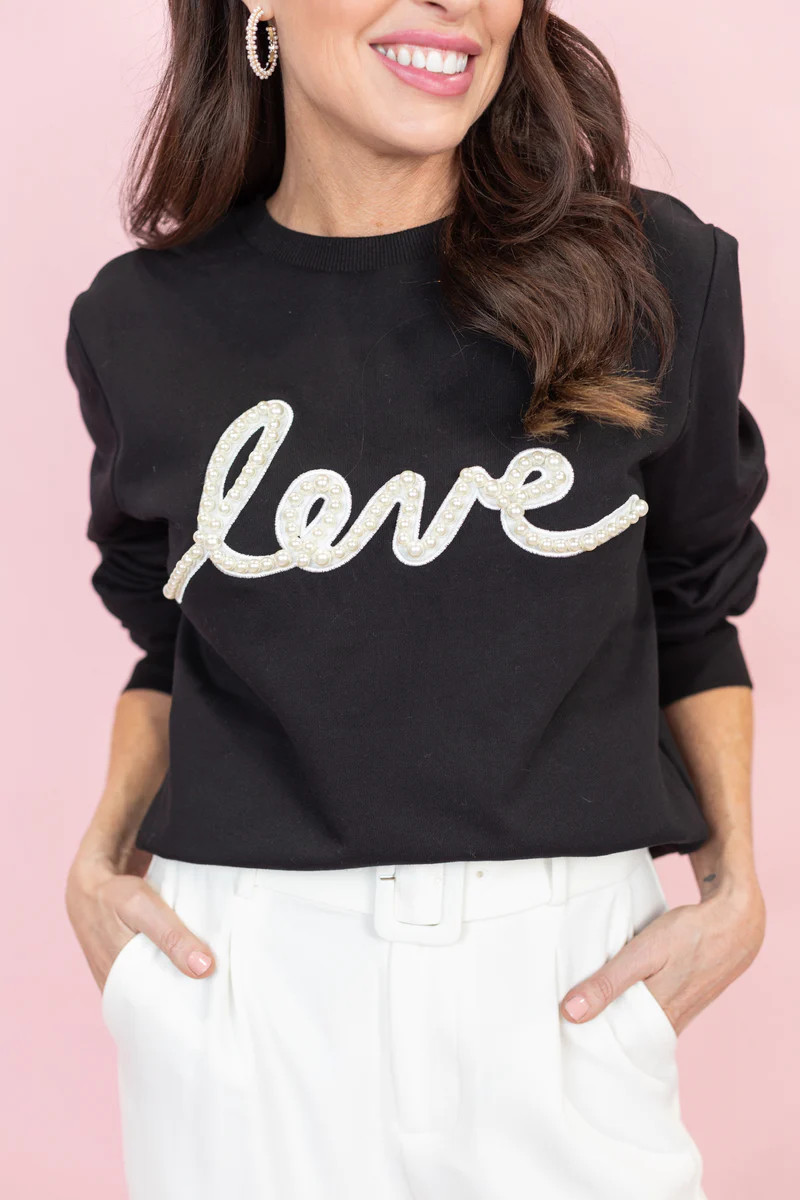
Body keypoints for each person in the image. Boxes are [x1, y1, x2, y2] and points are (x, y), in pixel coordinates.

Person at [63, 2, 769, 1198]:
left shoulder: (650, 275)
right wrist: (98, 853)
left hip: (564, 983)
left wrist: (735, 882)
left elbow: (692, 603)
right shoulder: (140, 323)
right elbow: (173, 636)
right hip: (240, 988)